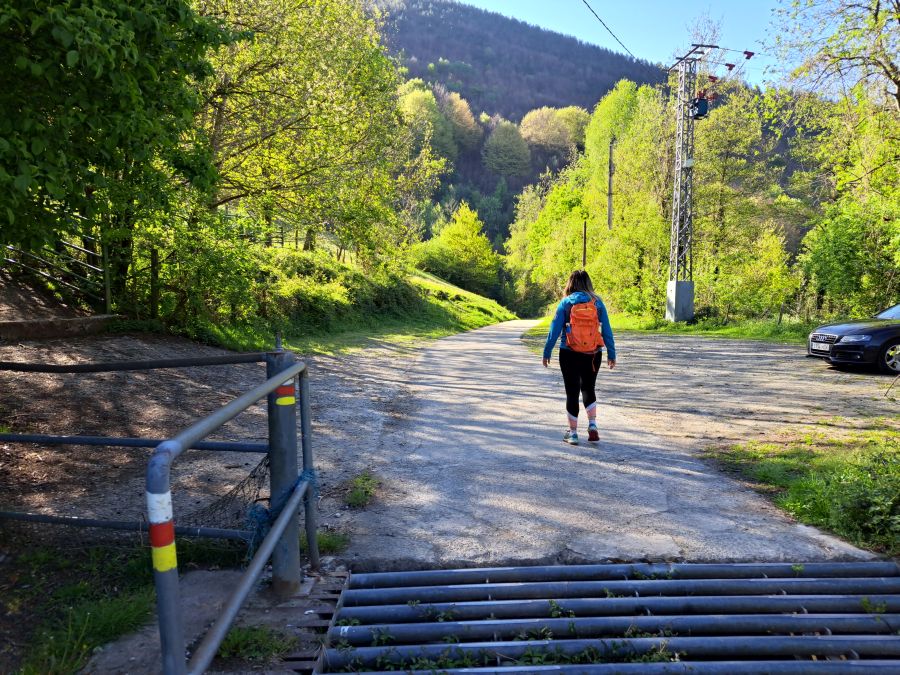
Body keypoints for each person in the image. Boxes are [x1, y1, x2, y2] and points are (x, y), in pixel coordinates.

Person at [542, 269, 616, 445]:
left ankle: (573, 433)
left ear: (570, 283)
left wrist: (547, 352)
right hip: (593, 353)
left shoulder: (565, 303)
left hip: (568, 352)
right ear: (588, 284)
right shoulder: (597, 303)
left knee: (572, 392)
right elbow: (607, 331)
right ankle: (592, 425)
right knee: (589, 388)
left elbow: (554, 330)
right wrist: (611, 353)